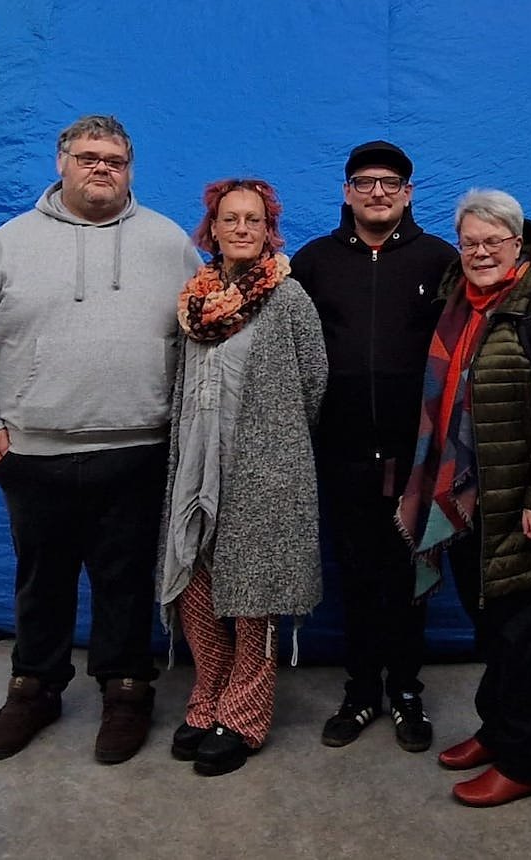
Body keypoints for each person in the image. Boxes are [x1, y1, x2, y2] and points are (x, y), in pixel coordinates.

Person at [0, 114, 201, 765]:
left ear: (130, 170)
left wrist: (187, 433)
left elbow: (203, 335)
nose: (101, 168)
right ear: (61, 163)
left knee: (127, 580)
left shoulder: (168, 243)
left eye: (114, 159)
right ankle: (34, 687)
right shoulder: (10, 243)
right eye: (88, 157)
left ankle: (127, 689)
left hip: (139, 449)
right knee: (42, 580)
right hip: (35, 451)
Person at [397, 188, 531, 806]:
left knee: (526, 641)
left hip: (530, 508)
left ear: (519, 243)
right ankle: (496, 731)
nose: (481, 252)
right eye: (470, 242)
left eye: (494, 241)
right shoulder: (458, 304)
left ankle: (522, 762)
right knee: (493, 629)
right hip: (469, 501)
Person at [291, 141, 458, 752]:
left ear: (408, 194)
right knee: (357, 576)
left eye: (390, 182)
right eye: (365, 182)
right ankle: (361, 691)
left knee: (411, 574)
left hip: (419, 456)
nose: (378, 192)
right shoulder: (314, 262)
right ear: (347, 192)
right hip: (341, 454)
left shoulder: (441, 260)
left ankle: (407, 690)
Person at [158, 178, 327, 777]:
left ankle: (244, 714)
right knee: (194, 575)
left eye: (253, 219)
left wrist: (273, 443)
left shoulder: (289, 297)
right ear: (213, 228)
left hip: (264, 465)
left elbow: (314, 381)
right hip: (195, 458)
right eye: (230, 219)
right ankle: (208, 694)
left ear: (268, 228)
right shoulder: (195, 301)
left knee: (255, 590)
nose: (241, 229)